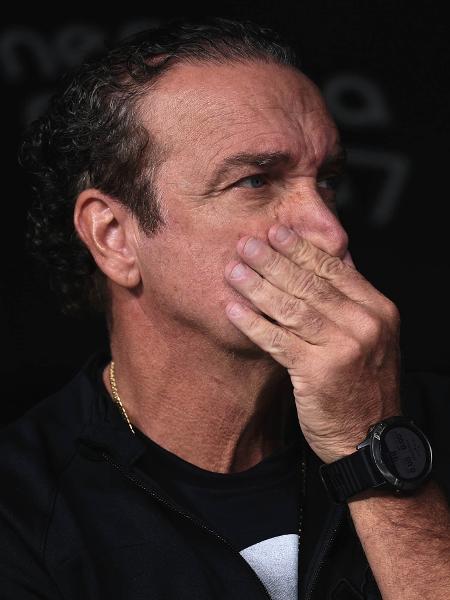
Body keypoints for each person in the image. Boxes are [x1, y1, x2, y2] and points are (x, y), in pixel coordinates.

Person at [1, 16, 449, 600]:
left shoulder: (434, 421)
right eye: (255, 182)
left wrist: (372, 445)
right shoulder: (21, 510)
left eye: (328, 181)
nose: (330, 231)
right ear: (114, 236)